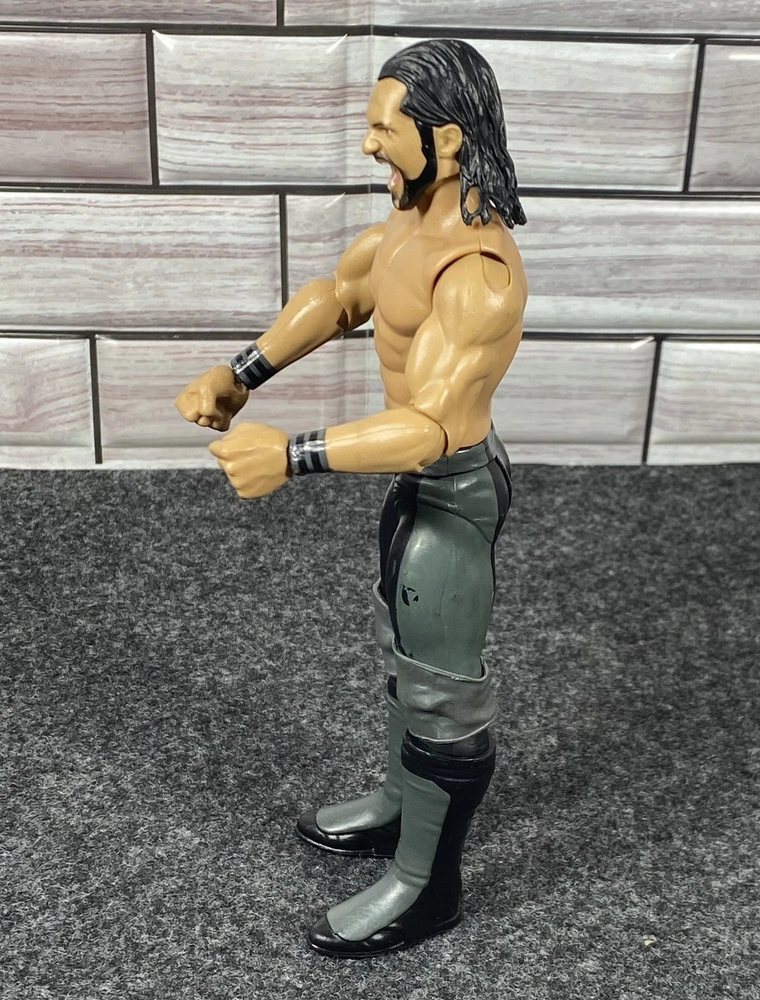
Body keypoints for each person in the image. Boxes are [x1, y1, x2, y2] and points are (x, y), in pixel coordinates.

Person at [175, 38, 528, 957]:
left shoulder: (478, 274)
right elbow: (339, 295)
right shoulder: (407, 230)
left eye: (384, 128)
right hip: (415, 490)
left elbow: (434, 424)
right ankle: (400, 803)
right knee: (400, 651)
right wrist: (240, 373)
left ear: (447, 140)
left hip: (451, 492)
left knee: (442, 694)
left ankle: (426, 887)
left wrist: (291, 456)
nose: (370, 145)